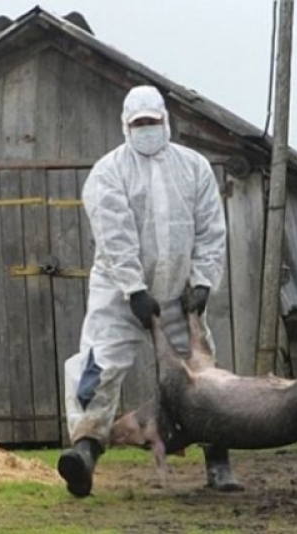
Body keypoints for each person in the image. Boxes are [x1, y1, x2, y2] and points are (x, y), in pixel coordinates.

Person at [57, 85, 237, 498]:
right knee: (94, 367)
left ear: (166, 122)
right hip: (118, 295)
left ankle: (218, 460)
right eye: (139, 124)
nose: (147, 130)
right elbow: (114, 233)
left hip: (177, 293)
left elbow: (211, 228)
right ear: (125, 126)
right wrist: (135, 289)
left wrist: (204, 281)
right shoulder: (109, 172)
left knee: (200, 373)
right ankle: (84, 450)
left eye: (152, 123)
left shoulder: (194, 167)